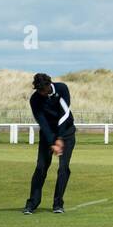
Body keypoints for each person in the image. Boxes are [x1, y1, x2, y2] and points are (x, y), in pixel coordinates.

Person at [23, 72, 77, 215]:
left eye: (43, 90)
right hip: (48, 135)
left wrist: (60, 138)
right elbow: (42, 122)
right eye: (38, 90)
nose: (41, 93)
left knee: (63, 168)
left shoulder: (62, 89)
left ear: (49, 85)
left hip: (66, 132)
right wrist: (52, 141)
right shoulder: (35, 99)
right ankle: (32, 204)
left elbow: (65, 114)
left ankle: (58, 204)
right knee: (41, 167)